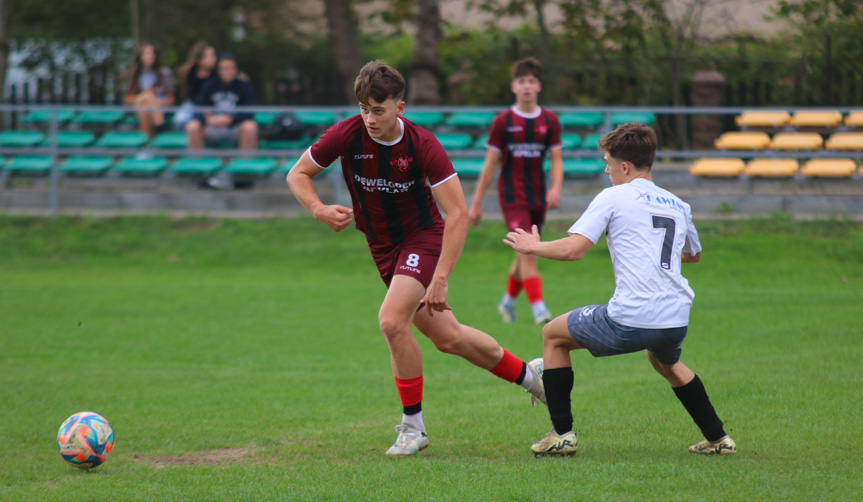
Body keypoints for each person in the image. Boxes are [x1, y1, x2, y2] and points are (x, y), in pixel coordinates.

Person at [286, 60, 546, 457]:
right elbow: (297, 174)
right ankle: (533, 377)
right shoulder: (347, 134)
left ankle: (413, 427)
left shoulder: (423, 146)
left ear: (399, 108)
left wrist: (441, 277)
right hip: (383, 247)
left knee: (391, 321)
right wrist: (318, 209)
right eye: (363, 109)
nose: (369, 118)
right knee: (449, 338)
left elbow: (457, 214)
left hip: (423, 240)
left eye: (378, 110)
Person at [504, 122, 736, 457]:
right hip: (675, 317)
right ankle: (718, 439)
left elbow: (574, 249)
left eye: (608, 164)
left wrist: (532, 247)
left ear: (624, 167)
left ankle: (562, 434)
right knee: (666, 363)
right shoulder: (677, 204)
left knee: (554, 334)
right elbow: (694, 254)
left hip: (632, 315)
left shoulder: (613, 196)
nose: (606, 170)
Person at [469, 57, 563, 325]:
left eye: (531, 81)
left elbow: (557, 159)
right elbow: (490, 164)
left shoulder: (550, 120)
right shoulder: (503, 121)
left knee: (522, 252)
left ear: (539, 86)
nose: (526, 86)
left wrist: (556, 187)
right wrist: (476, 203)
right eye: (521, 81)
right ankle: (540, 310)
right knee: (529, 250)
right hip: (511, 197)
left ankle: (507, 302)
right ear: (513, 86)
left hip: (537, 196)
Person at [186, 52, 258, 190]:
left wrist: (230, 120)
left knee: (250, 127)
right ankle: (199, 173)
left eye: (231, 68)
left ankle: (244, 175)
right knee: (193, 126)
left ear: (236, 69)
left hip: (234, 128)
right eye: (225, 68)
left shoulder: (244, 86)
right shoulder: (209, 85)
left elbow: (249, 112)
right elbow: (198, 110)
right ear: (219, 70)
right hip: (212, 127)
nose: (228, 71)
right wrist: (210, 119)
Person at [122, 42, 175, 138]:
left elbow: (171, 99)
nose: (150, 56)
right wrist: (146, 95)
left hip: (159, 105)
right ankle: (159, 124)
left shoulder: (164, 73)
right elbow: (128, 100)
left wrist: (155, 100)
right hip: (141, 105)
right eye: (147, 53)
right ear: (140, 57)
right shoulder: (134, 75)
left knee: (145, 109)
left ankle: (145, 147)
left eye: (152, 53)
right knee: (146, 100)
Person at [172, 41, 217, 130]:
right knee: (179, 121)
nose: (214, 58)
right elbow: (192, 96)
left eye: (214, 55)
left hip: (213, 105)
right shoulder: (190, 74)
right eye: (211, 56)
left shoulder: (217, 74)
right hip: (194, 104)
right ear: (200, 60)